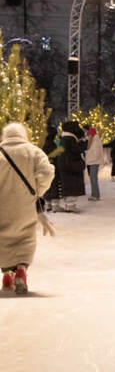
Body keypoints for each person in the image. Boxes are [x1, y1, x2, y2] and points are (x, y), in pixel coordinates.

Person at [1, 123, 56, 295]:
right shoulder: (33, 152)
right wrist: (37, 190)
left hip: (2, 207)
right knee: (25, 239)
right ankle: (21, 270)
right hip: (26, 207)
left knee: (2, 240)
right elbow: (47, 172)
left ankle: (7, 275)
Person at [53, 121, 87, 212]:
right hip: (71, 166)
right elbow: (77, 150)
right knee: (72, 186)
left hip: (65, 165)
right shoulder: (70, 139)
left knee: (67, 185)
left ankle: (69, 205)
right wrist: (83, 143)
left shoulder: (64, 138)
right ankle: (71, 205)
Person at [84, 125, 108, 201]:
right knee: (93, 178)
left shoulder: (94, 140)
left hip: (94, 161)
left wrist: (88, 155)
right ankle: (94, 194)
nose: (85, 133)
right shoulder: (95, 140)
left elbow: (93, 151)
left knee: (93, 178)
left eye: (85, 131)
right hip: (93, 161)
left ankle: (96, 195)